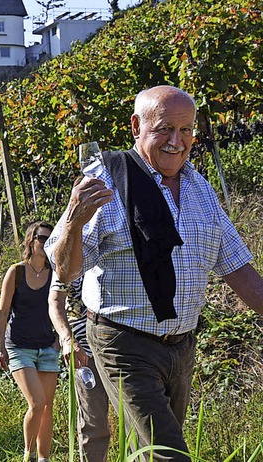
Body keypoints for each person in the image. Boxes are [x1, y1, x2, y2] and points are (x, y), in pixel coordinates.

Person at [47, 85, 263, 461]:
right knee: (167, 454)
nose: (177, 141)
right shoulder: (106, 182)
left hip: (181, 344)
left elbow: (238, 267)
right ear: (136, 126)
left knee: (150, 450)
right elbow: (66, 270)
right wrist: (72, 222)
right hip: (123, 342)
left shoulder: (200, 189)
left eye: (187, 130)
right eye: (164, 128)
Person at [0, 221, 59, 462]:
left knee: (47, 406)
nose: (46, 243)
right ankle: (28, 455)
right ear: (30, 242)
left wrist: (58, 341)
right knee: (37, 402)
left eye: (51, 239)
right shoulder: (17, 272)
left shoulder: (55, 273)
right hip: (19, 347)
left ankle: (44, 459)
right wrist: (0, 346)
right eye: (42, 238)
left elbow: (62, 307)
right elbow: (2, 311)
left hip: (47, 346)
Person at [48, 275, 110, 462]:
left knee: (136, 420)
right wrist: (68, 341)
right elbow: (55, 300)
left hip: (123, 349)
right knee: (93, 422)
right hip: (84, 352)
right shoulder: (68, 256)